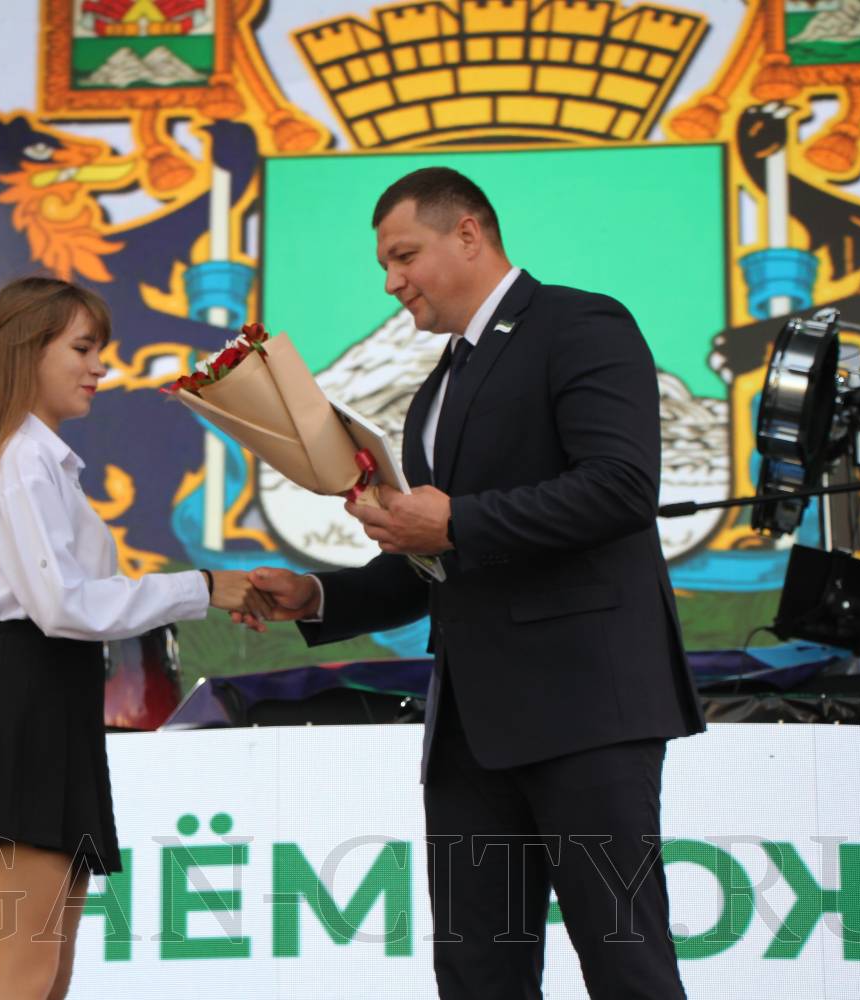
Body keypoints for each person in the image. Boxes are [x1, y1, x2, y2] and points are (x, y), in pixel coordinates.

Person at [240, 167, 705, 998]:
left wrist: (455, 520)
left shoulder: (581, 323)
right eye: (384, 265)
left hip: (586, 711)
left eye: (403, 255)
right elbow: (436, 565)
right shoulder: (431, 396)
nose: (392, 282)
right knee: (476, 975)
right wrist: (319, 597)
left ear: (469, 233)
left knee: (625, 964)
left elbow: (621, 489)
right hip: (469, 732)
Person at [0, 275, 270, 1000]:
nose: (99, 368)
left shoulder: (40, 461)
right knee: (24, 972)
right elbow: (63, 605)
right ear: (28, 351)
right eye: (82, 349)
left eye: (98, 351)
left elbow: (75, 602)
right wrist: (203, 587)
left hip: (55, 706)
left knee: (47, 973)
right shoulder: (21, 461)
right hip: (31, 707)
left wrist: (208, 589)